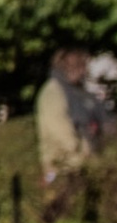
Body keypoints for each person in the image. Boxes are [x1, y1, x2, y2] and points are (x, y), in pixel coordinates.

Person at [36, 48, 112, 196]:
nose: (84, 72)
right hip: (60, 166)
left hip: (80, 162)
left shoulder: (78, 93)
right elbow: (59, 131)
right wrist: (80, 153)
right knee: (57, 205)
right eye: (80, 66)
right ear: (67, 67)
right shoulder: (53, 92)